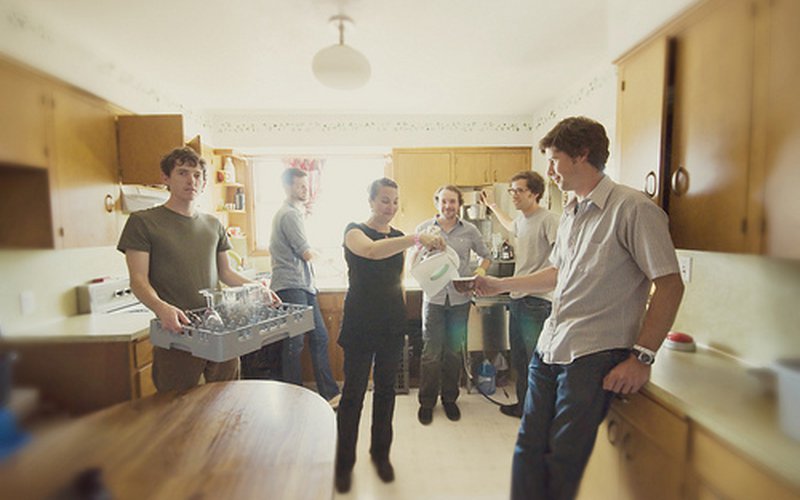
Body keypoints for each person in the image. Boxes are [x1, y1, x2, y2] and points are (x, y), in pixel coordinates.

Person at [474, 116, 684, 500]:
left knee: (563, 460)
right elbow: (556, 274)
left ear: (582, 154)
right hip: (550, 347)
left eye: (554, 160)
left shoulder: (633, 209)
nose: (549, 171)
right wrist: (500, 284)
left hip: (593, 356)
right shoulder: (571, 213)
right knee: (528, 448)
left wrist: (642, 357)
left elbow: (670, 284)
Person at [118, 146, 279, 393]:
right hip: (177, 331)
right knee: (176, 404)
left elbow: (226, 273)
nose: (191, 180)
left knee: (227, 399)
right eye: (182, 173)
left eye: (197, 175)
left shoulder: (213, 224)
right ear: (165, 178)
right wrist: (161, 308)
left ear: (203, 183)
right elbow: (138, 280)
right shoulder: (143, 222)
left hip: (220, 329)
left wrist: (258, 288)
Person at [334, 177, 444, 493]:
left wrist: (434, 251)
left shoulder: (398, 237)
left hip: (392, 324)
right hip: (360, 323)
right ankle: (344, 463)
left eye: (395, 201)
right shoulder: (354, 231)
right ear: (371, 201)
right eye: (384, 200)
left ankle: (380, 455)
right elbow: (370, 252)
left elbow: (408, 273)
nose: (391, 207)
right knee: (353, 394)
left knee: (386, 392)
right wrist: (416, 238)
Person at [479, 171, 559, 418]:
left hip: (537, 301)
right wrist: (493, 205)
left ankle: (539, 413)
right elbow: (509, 224)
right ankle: (524, 406)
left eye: (519, 190)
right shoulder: (522, 220)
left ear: (534, 193)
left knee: (537, 363)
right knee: (520, 360)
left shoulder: (549, 220)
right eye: (512, 190)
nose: (513, 195)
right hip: (518, 300)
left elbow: (562, 261)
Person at [414, 185, 491, 425]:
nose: (448, 206)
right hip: (433, 299)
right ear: (437, 203)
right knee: (431, 353)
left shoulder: (470, 230)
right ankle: (427, 402)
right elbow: (413, 259)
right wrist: (423, 251)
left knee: (453, 351)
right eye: (444, 201)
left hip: (460, 300)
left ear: (459, 204)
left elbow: (486, 256)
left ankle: (449, 399)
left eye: (453, 202)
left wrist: (478, 274)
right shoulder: (424, 229)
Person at [265, 168, 340, 404]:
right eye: (300, 186)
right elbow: (305, 252)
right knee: (295, 342)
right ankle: (294, 398)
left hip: (302, 286)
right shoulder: (289, 215)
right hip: (291, 286)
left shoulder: (294, 213)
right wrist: (332, 262)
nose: (305, 190)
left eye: (306, 186)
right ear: (287, 187)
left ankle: (329, 394)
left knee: (318, 338)